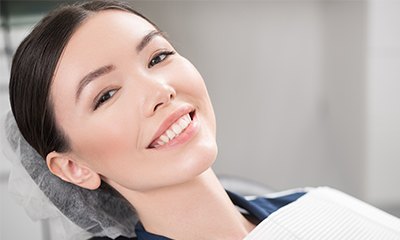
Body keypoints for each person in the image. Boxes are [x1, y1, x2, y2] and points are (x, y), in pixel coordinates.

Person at [3, 1, 400, 240]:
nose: (160, 90)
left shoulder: (317, 204)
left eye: (158, 57)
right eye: (106, 95)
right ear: (73, 167)